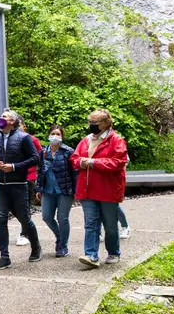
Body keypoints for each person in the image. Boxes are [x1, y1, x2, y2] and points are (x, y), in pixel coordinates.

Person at [71, 109, 128, 268]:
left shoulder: (117, 140)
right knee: (91, 223)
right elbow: (74, 158)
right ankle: (91, 255)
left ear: (105, 123)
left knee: (110, 224)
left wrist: (93, 163)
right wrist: (80, 162)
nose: (91, 126)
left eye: (94, 123)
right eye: (89, 122)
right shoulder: (86, 140)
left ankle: (113, 252)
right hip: (87, 189)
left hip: (107, 190)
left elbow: (118, 163)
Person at [0, 110, 42, 269]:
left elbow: (35, 158)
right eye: (1, 116)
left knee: (24, 219)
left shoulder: (24, 138)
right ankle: (4, 257)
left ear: (13, 121)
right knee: (1, 220)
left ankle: (36, 246)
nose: (1, 118)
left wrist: (13, 167)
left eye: (5, 116)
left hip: (18, 185)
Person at [36, 124, 77, 257]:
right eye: (53, 133)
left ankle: (62, 245)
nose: (55, 136)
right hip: (48, 190)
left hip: (64, 190)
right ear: (48, 135)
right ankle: (60, 236)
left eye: (58, 134)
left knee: (62, 218)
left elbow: (75, 172)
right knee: (46, 216)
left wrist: (76, 191)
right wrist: (38, 188)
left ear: (62, 137)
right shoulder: (43, 152)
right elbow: (40, 171)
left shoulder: (68, 151)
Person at [16, 116, 42, 246]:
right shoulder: (9, 140)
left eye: (19, 124)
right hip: (14, 178)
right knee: (16, 207)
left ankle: (24, 233)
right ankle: (27, 230)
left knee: (25, 206)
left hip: (29, 177)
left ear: (24, 126)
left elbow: (40, 156)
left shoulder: (32, 140)